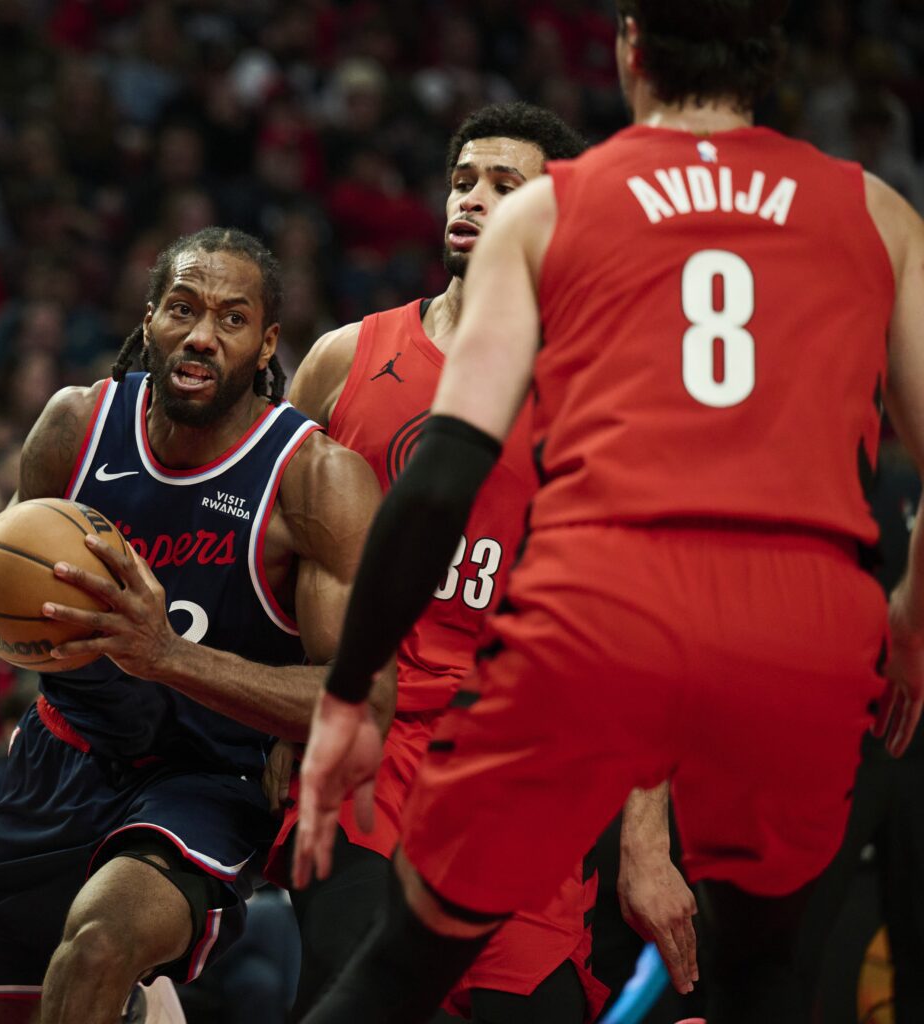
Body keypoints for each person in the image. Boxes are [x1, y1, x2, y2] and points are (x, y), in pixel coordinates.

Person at [292, 1, 924, 1021]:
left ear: (630, 50)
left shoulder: (558, 210)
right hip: (804, 626)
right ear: (770, 63)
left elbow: (441, 477)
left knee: (399, 966)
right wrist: (908, 620)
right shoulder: (879, 211)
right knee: (760, 977)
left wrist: (343, 688)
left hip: (609, 603)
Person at [0, 226, 387, 1023]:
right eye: (182, 308)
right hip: (64, 757)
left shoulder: (314, 479)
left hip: (209, 775)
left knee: (101, 943)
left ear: (266, 342)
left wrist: (166, 655)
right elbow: (2, 573)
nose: (202, 336)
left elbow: (363, 703)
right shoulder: (76, 426)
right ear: (148, 319)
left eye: (232, 319)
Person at [274, 102, 614, 1024]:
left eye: (507, 186)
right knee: (349, 984)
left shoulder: (597, 396)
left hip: (517, 758)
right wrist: (273, 721)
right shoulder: (345, 359)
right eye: (464, 179)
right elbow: (266, 555)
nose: (473, 198)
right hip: (370, 740)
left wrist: (650, 845)